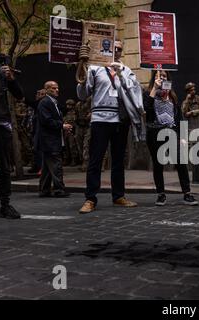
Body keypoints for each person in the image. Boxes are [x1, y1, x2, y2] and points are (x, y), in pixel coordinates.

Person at [76, 40, 145, 214]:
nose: (116, 51)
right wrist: (82, 64)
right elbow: (83, 94)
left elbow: (135, 93)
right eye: (113, 48)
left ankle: (118, 196)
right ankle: (90, 199)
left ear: (122, 51)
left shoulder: (127, 70)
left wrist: (121, 75)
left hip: (120, 120)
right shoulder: (95, 69)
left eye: (119, 49)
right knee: (96, 159)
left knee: (118, 160)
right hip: (100, 118)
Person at [144, 70, 198, 206]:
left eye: (163, 75)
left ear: (168, 78)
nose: (161, 77)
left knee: (180, 163)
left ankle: (187, 193)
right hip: (155, 133)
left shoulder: (172, 96)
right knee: (158, 165)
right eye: (158, 75)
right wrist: (155, 89)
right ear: (153, 78)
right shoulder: (149, 93)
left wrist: (182, 136)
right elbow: (147, 109)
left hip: (172, 132)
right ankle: (161, 194)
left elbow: (178, 117)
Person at [0, 51, 24, 219]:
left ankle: (5, 205)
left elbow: (20, 95)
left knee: (4, 167)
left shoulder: (0, 70)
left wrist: (10, 78)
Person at [37, 81, 71, 198]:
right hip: (49, 141)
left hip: (52, 140)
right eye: (53, 88)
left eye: (57, 88)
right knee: (56, 165)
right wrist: (62, 125)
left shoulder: (52, 102)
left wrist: (63, 127)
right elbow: (46, 121)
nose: (57, 90)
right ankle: (59, 190)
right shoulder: (45, 102)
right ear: (46, 90)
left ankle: (44, 190)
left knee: (47, 168)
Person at [63, 99, 80, 166]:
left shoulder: (75, 113)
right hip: (66, 132)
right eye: (67, 105)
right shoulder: (67, 113)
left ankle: (74, 159)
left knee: (72, 146)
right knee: (66, 146)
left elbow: (75, 122)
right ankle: (67, 159)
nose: (68, 106)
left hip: (72, 132)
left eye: (69, 105)